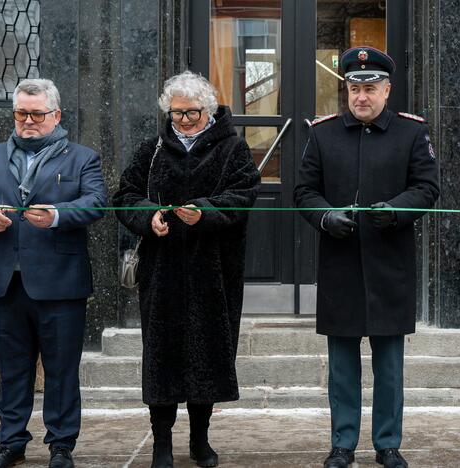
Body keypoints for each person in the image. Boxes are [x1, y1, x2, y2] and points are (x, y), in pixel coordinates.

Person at [294, 46, 440, 468]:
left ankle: (387, 444)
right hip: (339, 263)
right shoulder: (322, 134)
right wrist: (325, 217)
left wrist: (395, 209)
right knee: (342, 366)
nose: (361, 96)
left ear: (387, 90)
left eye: (370, 87)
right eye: (354, 87)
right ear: (346, 89)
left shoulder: (411, 134)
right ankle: (342, 443)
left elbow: (427, 187)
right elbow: (304, 192)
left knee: (389, 367)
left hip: (390, 262)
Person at [0, 78, 107, 468]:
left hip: (60, 283)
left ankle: (61, 446)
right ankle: (11, 442)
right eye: (21, 113)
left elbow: (95, 202)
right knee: (12, 370)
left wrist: (56, 216)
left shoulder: (81, 157)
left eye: (36, 114)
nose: (27, 121)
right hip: (6, 282)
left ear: (55, 115)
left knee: (61, 370)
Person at [112, 71, 260, 468]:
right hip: (162, 273)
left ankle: (200, 439)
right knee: (161, 358)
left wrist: (204, 213)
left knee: (206, 357)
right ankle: (162, 443)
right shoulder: (154, 148)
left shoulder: (232, 149)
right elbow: (125, 195)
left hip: (213, 272)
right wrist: (149, 217)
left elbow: (244, 194)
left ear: (208, 109)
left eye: (191, 113)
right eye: (176, 114)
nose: (183, 121)